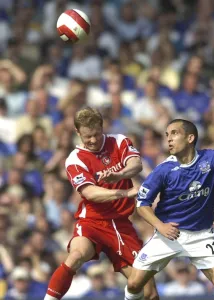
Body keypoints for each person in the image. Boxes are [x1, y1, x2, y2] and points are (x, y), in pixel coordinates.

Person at [124, 106, 214, 300]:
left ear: (190, 138)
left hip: (201, 236)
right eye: (167, 135)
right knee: (133, 283)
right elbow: (142, 205)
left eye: (174, 133)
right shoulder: (163, 170)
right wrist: (160, 226)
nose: (169, 139)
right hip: (168, 235)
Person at [44, 107, 158, 300]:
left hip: (121, 224)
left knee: (149, 292)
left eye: (97, 134)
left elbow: (136, 164)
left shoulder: (119, 141)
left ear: (102, 126)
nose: (93, 140)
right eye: (87, 136)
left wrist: (119, 175)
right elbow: (89, 193)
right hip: (93, 222)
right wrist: (124, 192)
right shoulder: (75, 159)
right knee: (76, 255)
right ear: (78, 132)